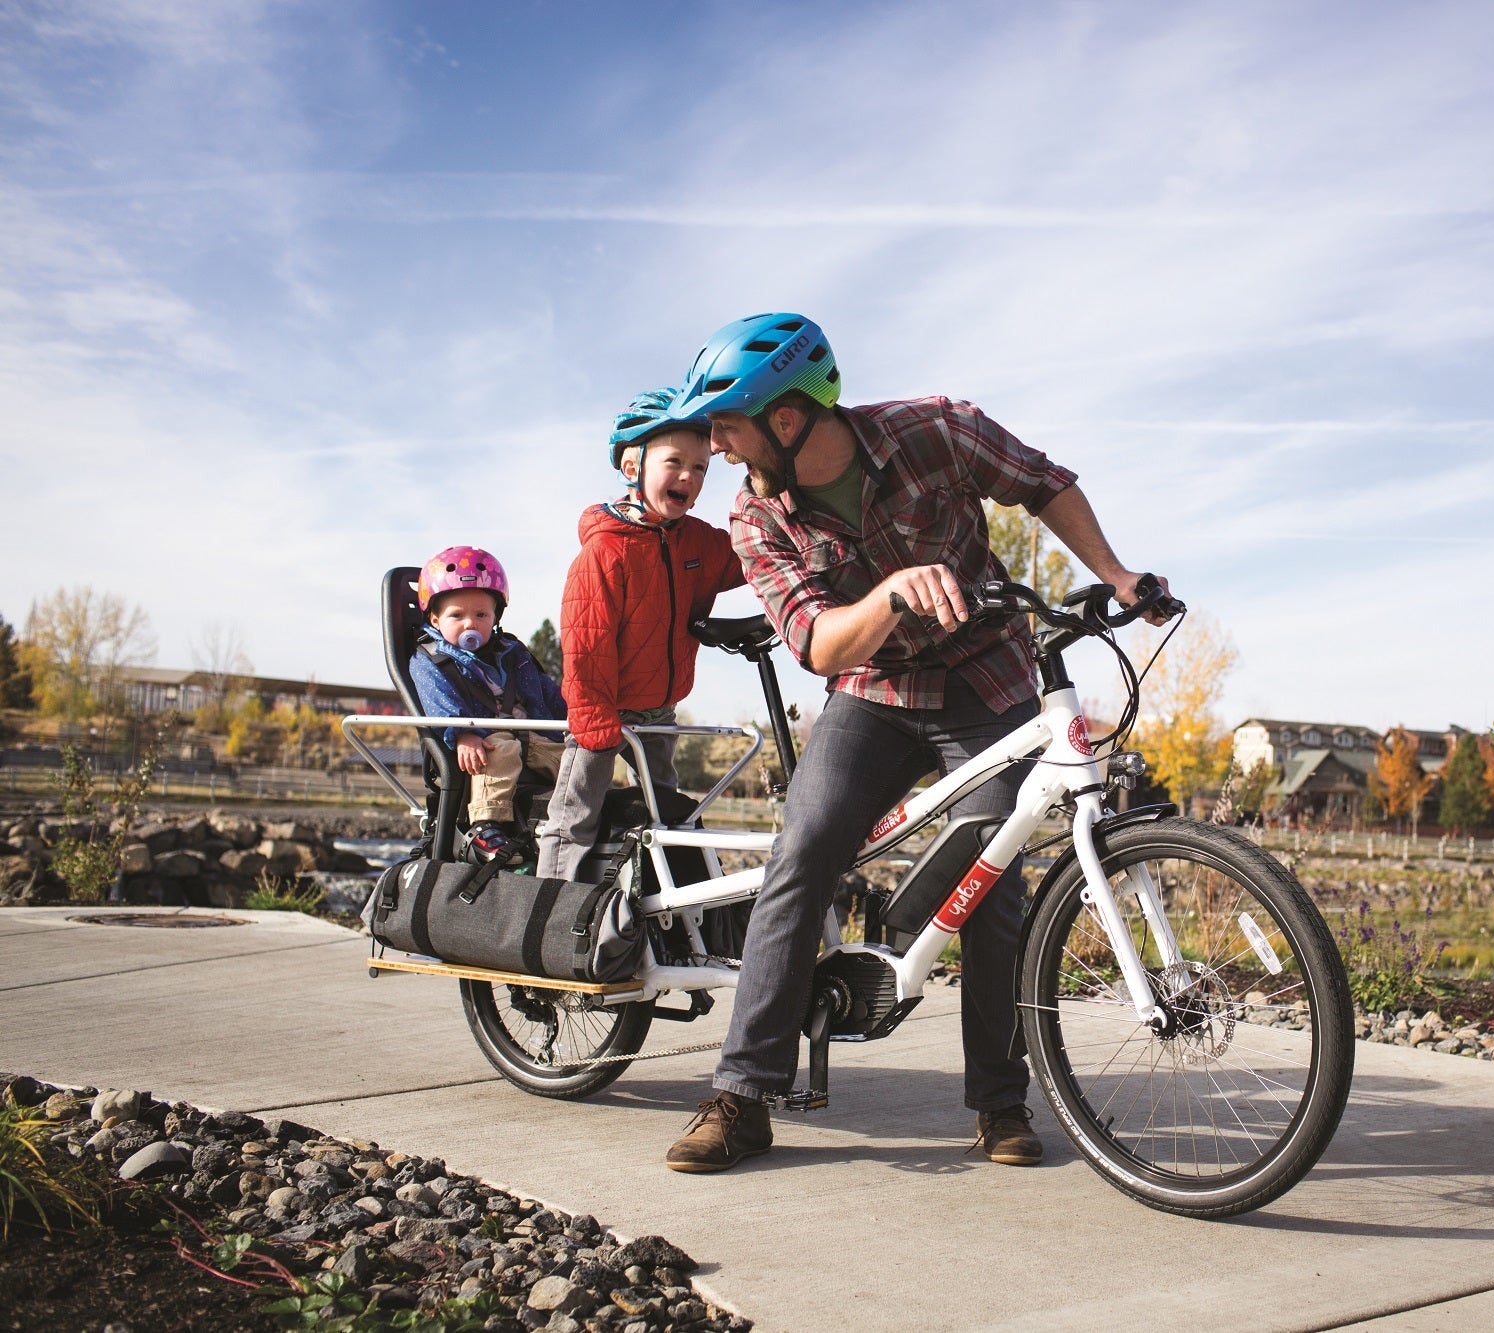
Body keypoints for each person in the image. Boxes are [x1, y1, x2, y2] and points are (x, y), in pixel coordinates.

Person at [656, 313, 1170, 1173]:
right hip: (873, 693)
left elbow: (1043, 483)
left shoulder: (935, 430)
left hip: (987, 678)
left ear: (786, 417)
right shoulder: (755, 516)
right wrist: (891, 594)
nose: (718, 445)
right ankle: (742, 1096)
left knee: (994, 873)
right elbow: (818, 643)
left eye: (729, 423)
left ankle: (1000, 1103)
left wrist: (1116, 573)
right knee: (806, 848)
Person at [535, 390, 747, 881]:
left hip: (659, 708)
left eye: (700, 468)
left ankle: (651, 908)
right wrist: (590, 715)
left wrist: (771, 505)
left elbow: (745, 557)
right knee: (574, 818)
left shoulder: (695, 540)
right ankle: (549, 912)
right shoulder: (607, 551)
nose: (689, 477)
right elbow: (586, 642)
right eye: (674, 461)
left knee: (663, 811)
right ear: (633, 467)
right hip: (603, 710)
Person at [407, 547, 566, 859]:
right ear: (436, 619)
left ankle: (596, 816)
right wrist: (461, 734)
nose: (470, 624)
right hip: (483, 741)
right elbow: (439, 703)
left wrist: (576, 718)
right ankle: (483, 826)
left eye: (481, 615)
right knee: (498, 751)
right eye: (457, 616)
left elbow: (546, 691)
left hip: (534, 737)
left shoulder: (511, 652)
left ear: (495, 617)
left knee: (577, 763)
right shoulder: (430, 661)